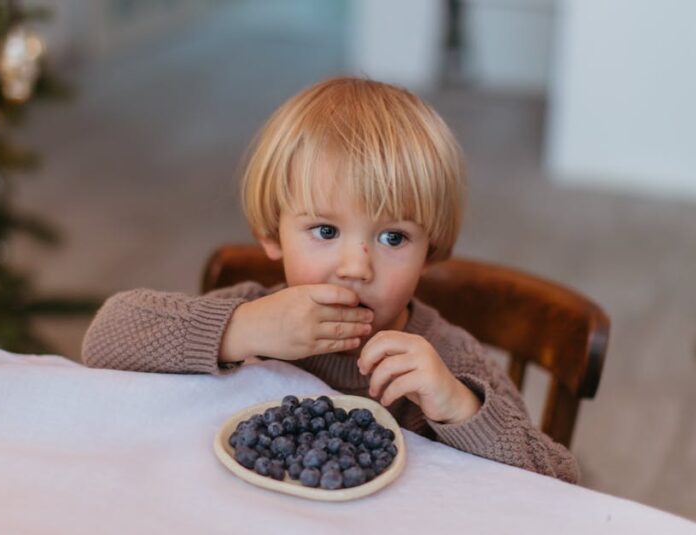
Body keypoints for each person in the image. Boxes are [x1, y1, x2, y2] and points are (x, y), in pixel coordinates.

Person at [82, 77, 579, 483]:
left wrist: (458, 405)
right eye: (325, 230)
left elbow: (556, 479)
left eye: (393, 238)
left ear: (432, 251)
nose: (356, 267)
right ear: (272, 235)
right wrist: (242, 329)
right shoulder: (254, 314)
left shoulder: (449, 360)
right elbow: (105, 338)